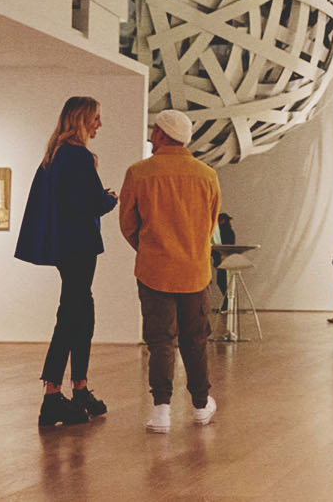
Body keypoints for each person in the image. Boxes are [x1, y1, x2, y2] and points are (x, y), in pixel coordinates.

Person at [15, 96, 118, 427]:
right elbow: (87, 203)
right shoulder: (77, 155)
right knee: (72, 317)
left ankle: (78, 388)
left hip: (67, 246)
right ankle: (53, 395)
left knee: (80, 314)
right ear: (82, 119)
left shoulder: (56, 154)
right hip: (79, 247)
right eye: (96, 118)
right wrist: (109, 200)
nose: (99, 124)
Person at [118, 109, 223, 434]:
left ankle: (161, 410)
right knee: (195, 340)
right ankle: (201, 404)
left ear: (163, 135)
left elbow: (127, 223)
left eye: (154, 132)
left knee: (160, 340)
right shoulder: (207, 175)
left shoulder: (139, 173)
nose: (151, 137)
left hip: (154, 270)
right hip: (194, 271)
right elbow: (211, 223)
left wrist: (150, 250)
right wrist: (192, 250)